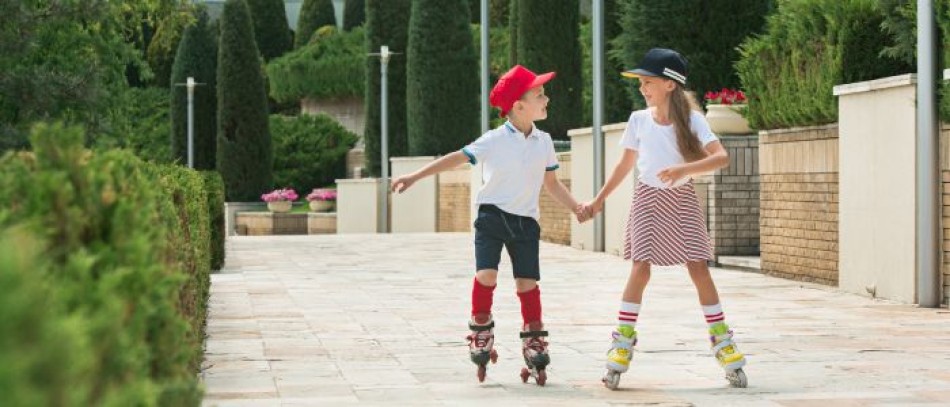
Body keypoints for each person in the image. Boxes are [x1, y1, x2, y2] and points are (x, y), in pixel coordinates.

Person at [391, 65, 588, 385]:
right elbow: (456, 157)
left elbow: (551, 183)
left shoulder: (545, 141)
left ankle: (533, 338)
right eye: (539, 94)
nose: (546, 98)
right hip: (491, 216)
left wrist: (576, 206)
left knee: (527, 283)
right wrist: (414, 176)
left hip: (526, 222)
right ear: (518, 106)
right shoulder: (494, 140)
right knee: (487, 274)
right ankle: (481, 327)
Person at [581, 48, 748, 389]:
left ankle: (722, 341)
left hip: (682, 199)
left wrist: (684, 169)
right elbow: (624, 165)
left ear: (670, 85)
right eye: (641, 83)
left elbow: (721, 158)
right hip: (647, 199)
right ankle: (622, 342)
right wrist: (598, 200)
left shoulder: (694, 121)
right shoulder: (638, 120)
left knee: (698, 267)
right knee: (640, 266)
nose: (643, 88)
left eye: (648, 82)